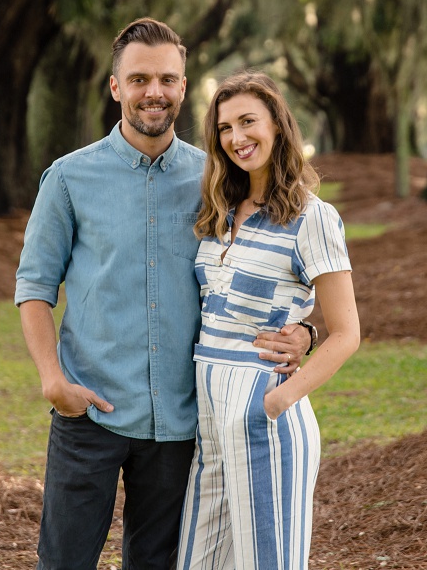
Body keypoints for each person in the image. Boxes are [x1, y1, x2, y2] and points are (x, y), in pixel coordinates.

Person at [14, 19, 312, 570]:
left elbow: (268, 266)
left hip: (181, 420)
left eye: (168, 79)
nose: (155, 91)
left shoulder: (216, 179)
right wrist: (53, 379)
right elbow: (34, 286)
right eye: (140, 79)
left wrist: (306, 330)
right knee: (64, 561)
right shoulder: (68, 178)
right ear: (115, 87)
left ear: (182, 86)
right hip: (90, 411)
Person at [177, 71, 361, 570]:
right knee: (197, 561)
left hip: (264, 415)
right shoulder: (220, 211)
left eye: (248, 122)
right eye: (224, 128)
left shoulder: (311, 216)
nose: (237, 138)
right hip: (209, 420)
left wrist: (277, 400)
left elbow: (348, 333)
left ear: (278, 125)